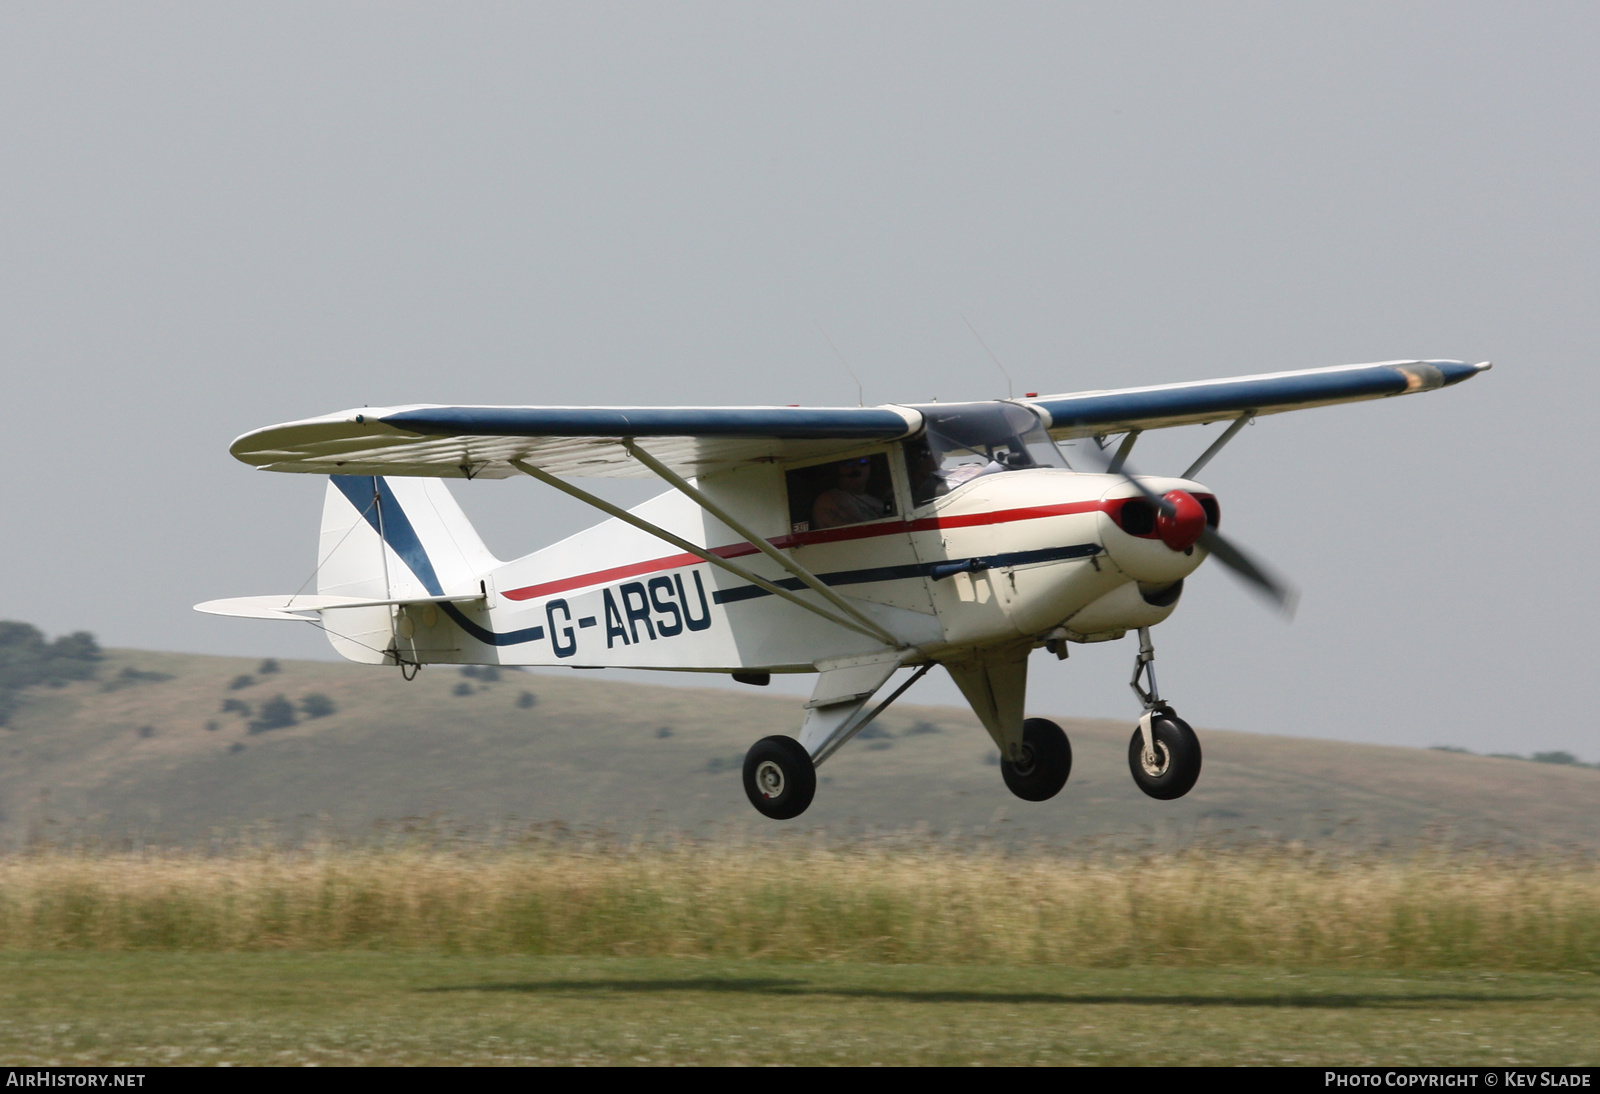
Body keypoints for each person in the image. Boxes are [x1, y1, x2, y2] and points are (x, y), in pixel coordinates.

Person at [811, 458, 890, 528]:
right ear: (839, 469)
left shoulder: (877, 502)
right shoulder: (830, 498)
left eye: (863, 462)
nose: (856, 467)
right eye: (849, 463)